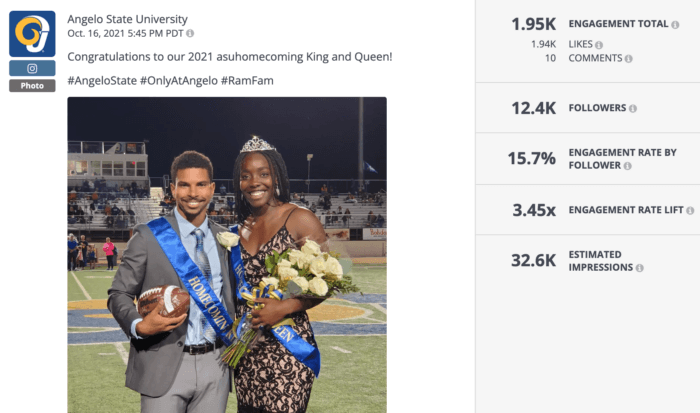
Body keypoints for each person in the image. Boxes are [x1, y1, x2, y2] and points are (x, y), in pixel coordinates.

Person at [107, 151, 235, 413]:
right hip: (163, 361)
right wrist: (139, 326)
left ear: (211, 189)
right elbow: (118, 293)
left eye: (201, 184)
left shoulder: (226, 239)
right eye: (184, 185)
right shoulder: (148, 236)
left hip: (217, 364)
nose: (193, 193)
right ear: (173, 189)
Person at [231, 136, 326, 413]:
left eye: (263, 174)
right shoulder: (240, 229)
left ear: (277, 176)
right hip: (248, 350)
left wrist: (285, 306)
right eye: (245, 176)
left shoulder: (299, 218)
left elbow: (328, 280)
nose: (254, 182)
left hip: (289, 348)